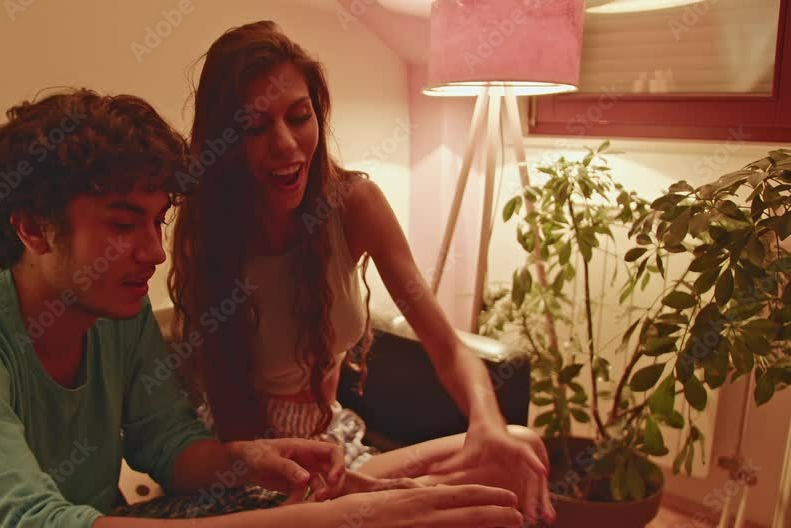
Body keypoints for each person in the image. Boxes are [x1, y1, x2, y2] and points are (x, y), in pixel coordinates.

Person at [0, 88, 525, 528]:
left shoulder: (118, 317)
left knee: (501, 455)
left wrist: (244, 458)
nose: (155, 253)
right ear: (32, 228)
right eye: (122, 225)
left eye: (157, 221)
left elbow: (168, 444)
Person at [168, 20, 556, 525]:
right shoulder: (209, 233)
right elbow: (241, 435)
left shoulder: (355, 204)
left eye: (299, 116)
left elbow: (447, 347)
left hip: (335, 445)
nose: (286, 144)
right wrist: (359, 492)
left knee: (518, 448)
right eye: (255, 127)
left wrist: (487, 421)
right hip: (256, 470)